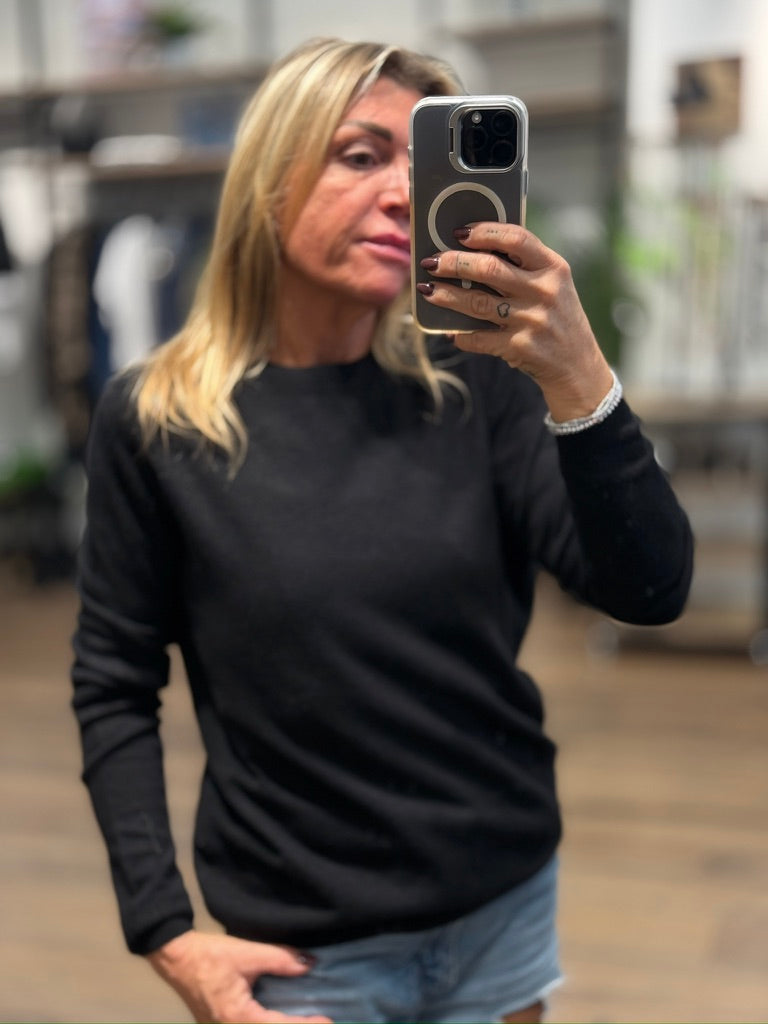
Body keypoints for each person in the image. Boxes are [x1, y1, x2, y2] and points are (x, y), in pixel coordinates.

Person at [71, 37, 693, 1024]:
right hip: (306, 943)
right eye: (360, 156)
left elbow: (648, 591)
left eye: (424, 161)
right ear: (269, 181)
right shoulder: (159, 418)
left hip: (500, 906)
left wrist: (580, 378)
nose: (406, 193)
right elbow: (114, 681)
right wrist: (163, 928)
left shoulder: (477, 382)